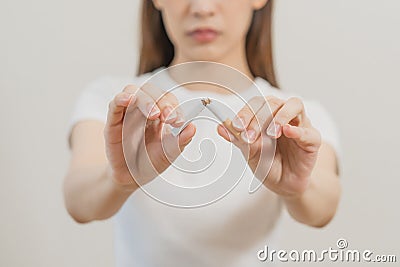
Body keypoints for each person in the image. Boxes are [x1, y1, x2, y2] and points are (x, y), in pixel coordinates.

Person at [64, 0, 341, 266]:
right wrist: (119, 181)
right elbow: (78, 200)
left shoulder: (295, 118)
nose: (202, 7)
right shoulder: (118, 103)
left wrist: (297, 189)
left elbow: (323, 207)